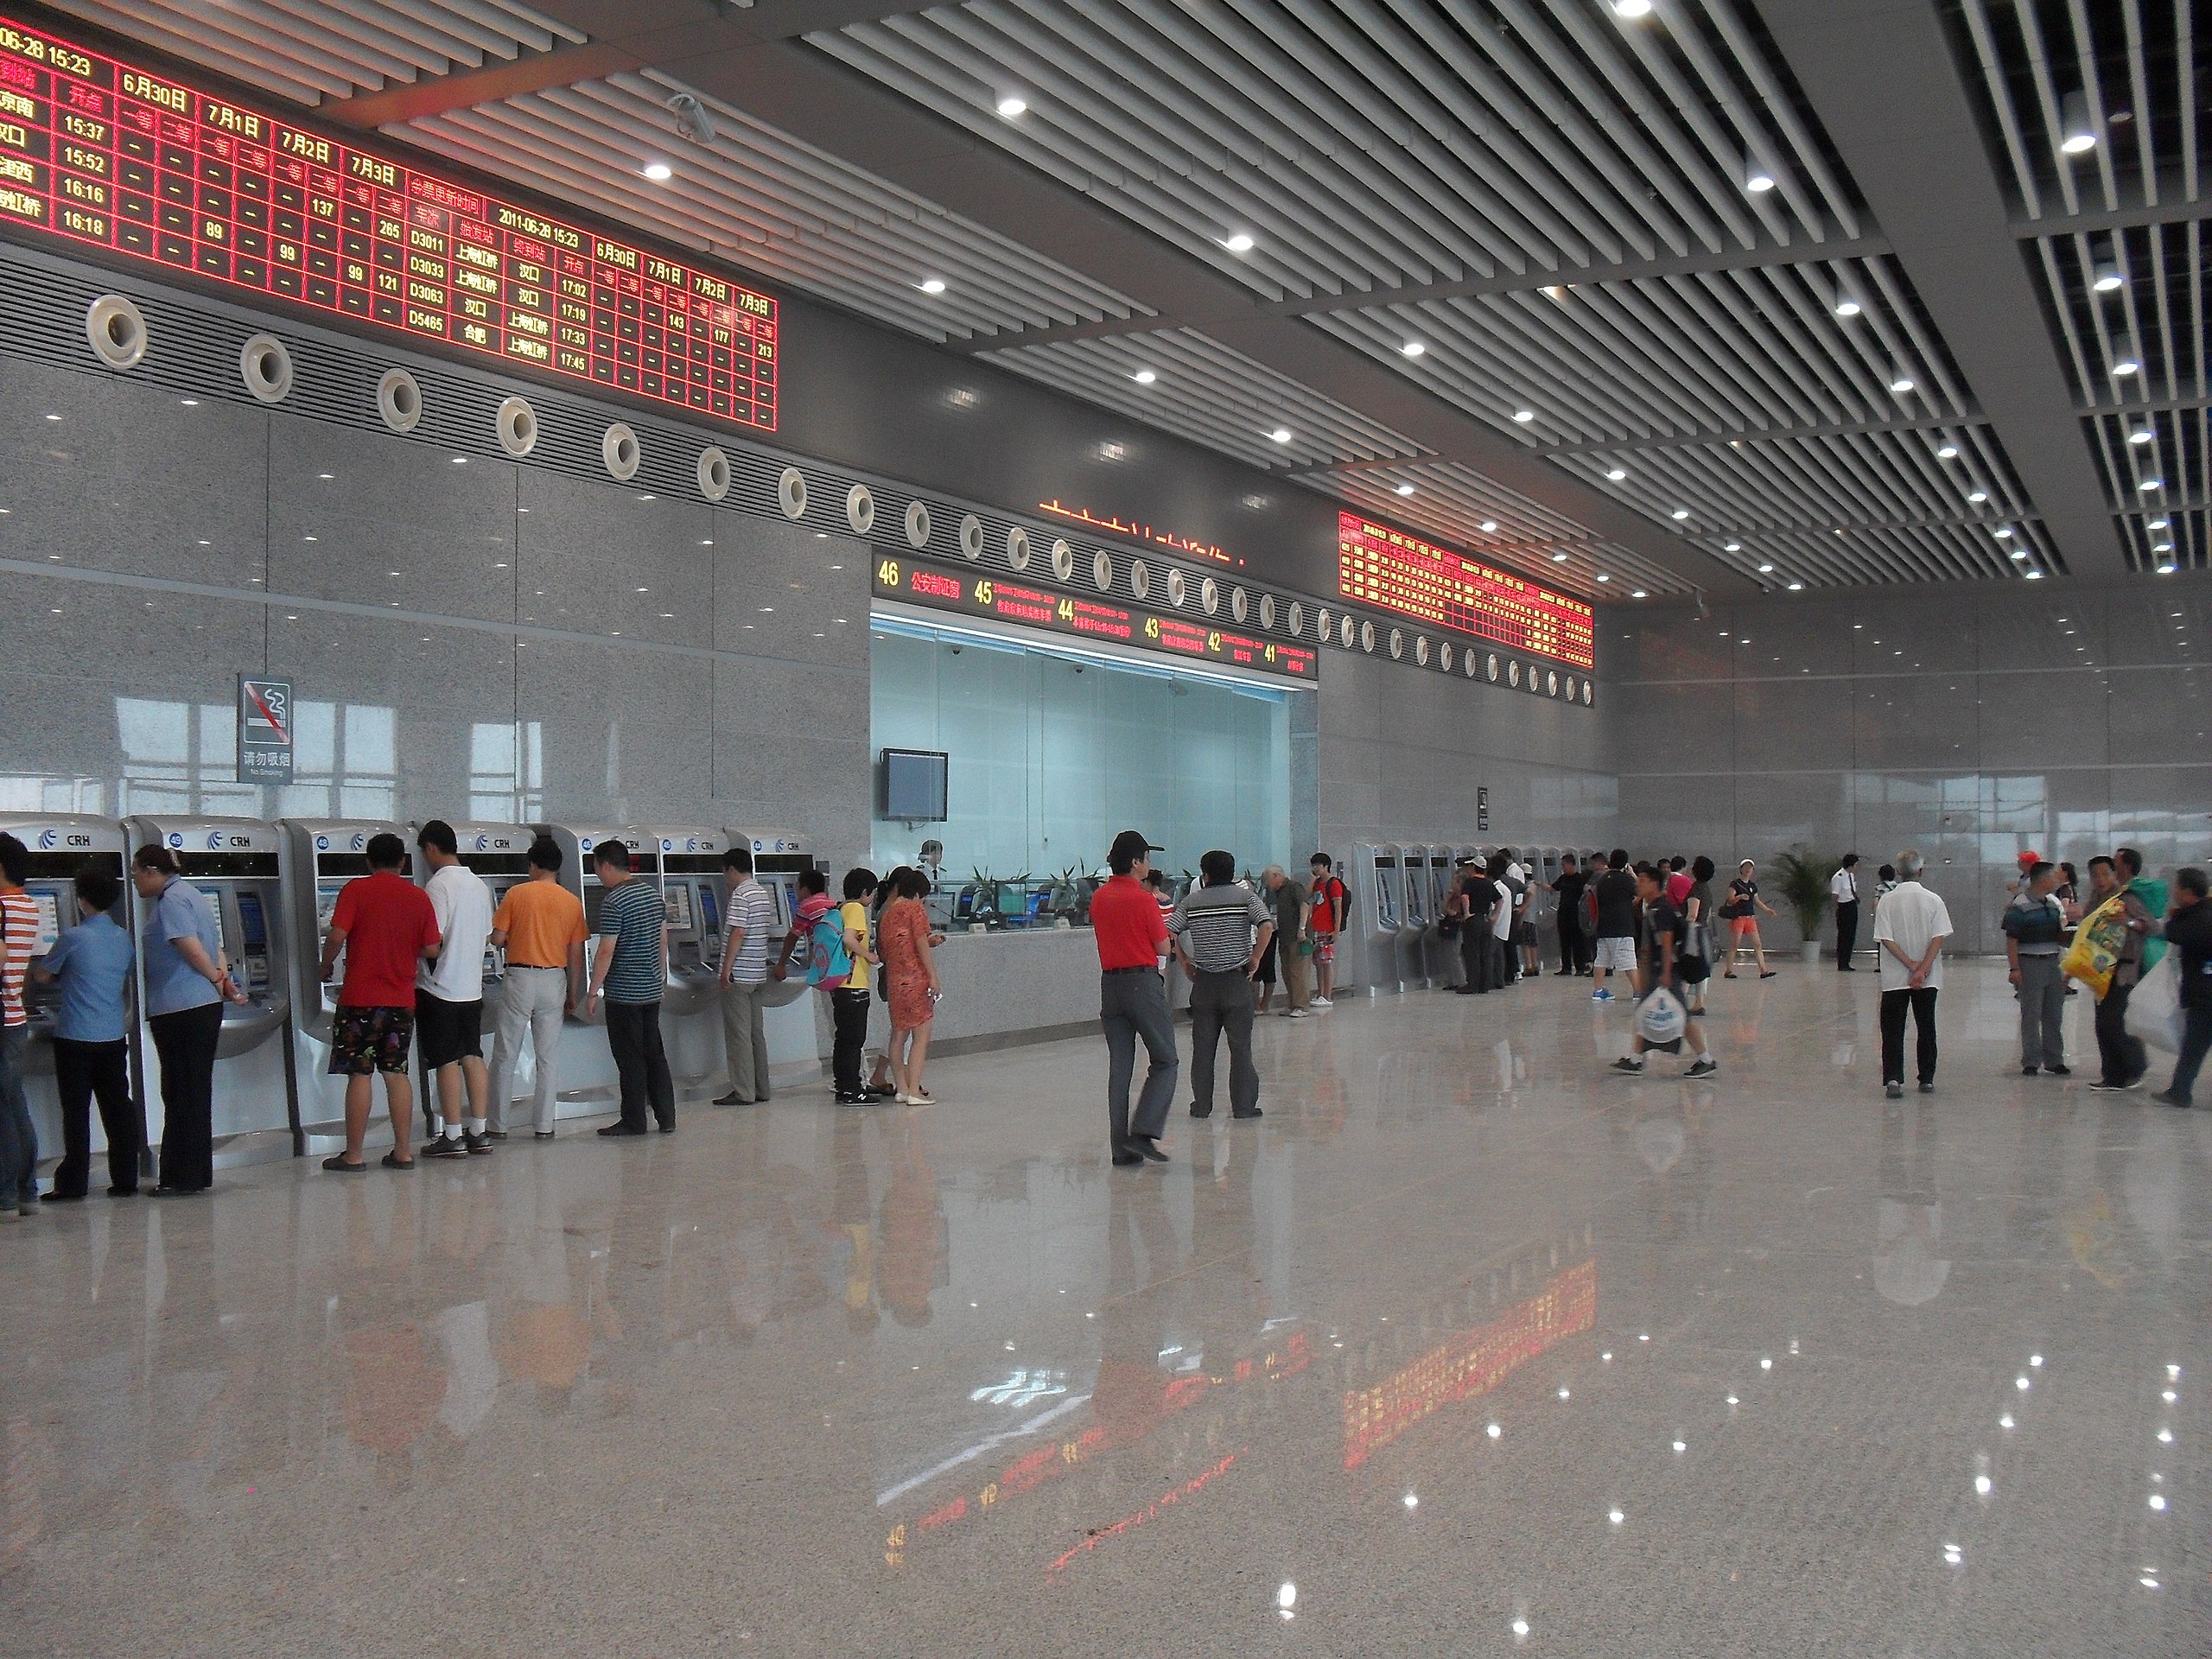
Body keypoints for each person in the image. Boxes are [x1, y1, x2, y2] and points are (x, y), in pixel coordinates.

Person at [320, 832, 442, 1172]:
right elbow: (432, 949)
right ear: (402, 862)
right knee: (396, 1072)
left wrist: (326, 964)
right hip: (401, 1000)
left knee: (360, 1074)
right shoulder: (418, 897)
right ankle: (402, 1152)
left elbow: (338, 934)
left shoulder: (356, 890)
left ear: (369, 861)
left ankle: (354, 1155)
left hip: (360, 998)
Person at [130, 843, 246, 1195]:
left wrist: (215, 978)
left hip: (181, 1008)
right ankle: (196, 1174)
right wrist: (222, 980)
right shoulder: (193, 894)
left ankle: (180, 1177)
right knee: (194, 1092)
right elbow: (216, 947)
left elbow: (190, 948)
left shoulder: (171, 901)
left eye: (136, 872)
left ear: (152, 871)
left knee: (180, 1092)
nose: (134, 880)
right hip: (202, 1005)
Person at [30, 864, 140, 1199]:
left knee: (76, 1112)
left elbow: (42, 977)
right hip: (112, 1035)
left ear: (82, 900)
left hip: (75, 1037)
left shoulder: (72, 937)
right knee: (117, 1108)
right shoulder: (123, 937)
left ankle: (73, 1183)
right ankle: (126, 1179)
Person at [487, 836, 588, 1140]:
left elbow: (498, 938)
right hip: (554, 979)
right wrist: (573, 993)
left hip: (520, 977)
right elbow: (575, 953)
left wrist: (505, 937)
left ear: (533, 865)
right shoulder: (572, 902)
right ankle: (544, 1125)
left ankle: (497, 1125)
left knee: (506, 1053)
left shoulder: (516, 894)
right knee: (548, 1058)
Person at [1170, 850, 1274, 1122]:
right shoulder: (1246, 898)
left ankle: (1201, 1106)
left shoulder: (1191, 901)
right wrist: (1256, 957)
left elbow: (1169, 931)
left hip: (1204, 983)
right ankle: (1243, 1107)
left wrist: (1184, 961)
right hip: (1236, 982)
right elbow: (1266, 925)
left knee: (1203, 1049)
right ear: (1232, 872)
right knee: (1240, 1048)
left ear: (1204, 875)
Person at [414, 821, 496, 1160]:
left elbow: (432, 941)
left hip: (440, 988)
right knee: (473, 1056)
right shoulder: (479, 884)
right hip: (471, 988)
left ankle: (452, 1135)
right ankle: (479, 1131)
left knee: (445, 1060)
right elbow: (488, 935)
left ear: (432, 848)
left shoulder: (438, 885)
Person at [1094, 830, 1176, 1165]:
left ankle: (1121, 1150)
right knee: (1166, 1059)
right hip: (1142, 983)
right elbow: (1163, 947)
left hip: (1110, 987)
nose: (1149, 864)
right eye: (1147, 858)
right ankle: (1143, 1133)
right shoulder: (1144, 900)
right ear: (1135, 862)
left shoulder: (1099, 898)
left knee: (1120, 1069)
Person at [584, 840, 675, 1135]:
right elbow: (662, 940)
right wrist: (660, 978)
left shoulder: (614, 901)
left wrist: (593, 990)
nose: (598, 875)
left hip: (624, 994)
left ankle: (634, 1121)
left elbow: (606, 951)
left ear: (606, 866)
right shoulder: (652, 895)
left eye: (597, 868)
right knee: (654, 1054)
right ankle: (667, 1117)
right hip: (650, 990)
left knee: (630, 1058)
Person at [1611, 863, 1716, 1077]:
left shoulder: (1661, 910)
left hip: (1664, 973)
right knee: (1644, 1013)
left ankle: (1706, 1060)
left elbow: (1667, 943)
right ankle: (1635, 1059)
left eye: (1642, 881)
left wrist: (1666, 975)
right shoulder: (1654, 908)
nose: (1638, 885)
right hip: (1658, 971)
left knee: (1681, 1018)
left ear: (1654, 884)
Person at [1872, 849, 1951, 1100]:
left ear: (1898, 871)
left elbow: (1885, 939)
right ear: (1921, 871)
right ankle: (1926, 1078)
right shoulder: (1934, 900)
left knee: (1892, 1028)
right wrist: (1922, 968)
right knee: (1926, 1025)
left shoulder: (1887, 900)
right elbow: (1938, 937)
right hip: (1928, 977)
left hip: (1895, 977)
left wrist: (1909, 965)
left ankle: (1893, 1079)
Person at [2082, 850, 2160, 1093]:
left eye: (2105, 873)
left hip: (2124, 969)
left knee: (2114, 1021)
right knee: (2102, 1024)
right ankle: (2112, 1075)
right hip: (2100, 969)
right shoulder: (2095, 900)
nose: (2100, 879)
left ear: (2114, 874)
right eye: (2095, 875)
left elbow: (2153, 926)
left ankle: (2135, 1067)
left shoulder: (2127, 898)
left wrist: (2129, 921)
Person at [0, 836, 45, 1217]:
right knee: (15, 1104)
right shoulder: (29, 906)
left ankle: (5, 1196)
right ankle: (27, 1190)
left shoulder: (1, 906)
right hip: (15, 1015)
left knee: (4, 1109)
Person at [714, 844, 776, 1107]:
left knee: (738, 1035)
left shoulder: (740, 894)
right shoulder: (761, 892)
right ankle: (762, 1088)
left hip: (739, 975)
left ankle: (743, 1091)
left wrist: (726, 969)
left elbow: (738, 932)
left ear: (731, 869)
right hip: (758, 972)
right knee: (755, 1034)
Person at [877, 867, 938, 1105]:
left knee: (898, 1035)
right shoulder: (915, 910)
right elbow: (921, 945)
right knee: (921, 1036)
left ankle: (902, 1089)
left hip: (894, 981)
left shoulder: (887, 914)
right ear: (918, 894)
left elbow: (885, 952)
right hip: (915, 980)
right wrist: (933, 977)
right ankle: (914, 1090)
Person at [2152, 868, 2212, 1109]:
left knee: (2194, 1046)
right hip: (2204, 990)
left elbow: (2174, 934)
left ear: (2187, 892)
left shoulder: (2198, 919)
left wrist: (2173, 917)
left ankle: (2180, 1092)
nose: (2173, 892)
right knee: (2193, 1046)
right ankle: (2179, 1090)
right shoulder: (2204, 912)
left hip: (2204, 995)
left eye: (2176, 887)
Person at [2002, 861, 2069, 1077]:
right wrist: (2014, 968)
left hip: (2053, 962)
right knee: (2031, 1014)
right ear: (2044, 879)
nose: (2057, 880)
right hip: (2030, 963)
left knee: (2054, 1013)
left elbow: (2059, 931)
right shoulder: (2019, 905)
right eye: (2054, 876)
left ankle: (2054, 1059)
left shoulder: (2053, 903)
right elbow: (2012, 939)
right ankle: (2031, 1060)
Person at [830, 869, 880, 1104]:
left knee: (843, 1039)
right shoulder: (856, 909)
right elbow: (849, 939)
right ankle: (852, 1089)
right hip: (854, 984)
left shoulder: (841, 908)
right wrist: (869, 955)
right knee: (853, 1040)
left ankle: (843, 1087)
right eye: (873, 893)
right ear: (865, 892)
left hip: (840, 984)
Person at [1590, 848, 1639, 1003]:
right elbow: (1640, 893)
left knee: (1601, 960)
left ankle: (1598, 990)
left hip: (1603, 926)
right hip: (1622, 927)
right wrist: (1633, 874)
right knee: (1629, 961)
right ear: (1625, 863)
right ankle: (1638, 991)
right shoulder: (1626, 879)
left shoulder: (1602, 879)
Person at [1261, 866, 1310, 1016]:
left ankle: (1301, 1006)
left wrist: (1302, 928)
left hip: (1298, 937)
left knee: (1298, 972)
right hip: (1284, 937)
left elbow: (1304, 906)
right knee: (1287, 972)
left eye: (1268, 881)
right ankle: (1292, 1004)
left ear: (1277, 876)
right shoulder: (1278, 892)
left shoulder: (1294, 887)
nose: (1268, 886)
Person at [1722, 860, 1779, 979]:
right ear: (1741, 869)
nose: (1748, 869)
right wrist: (1739, 897)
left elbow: (1756, 901)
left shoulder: (1752, 886)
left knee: (1757, 944)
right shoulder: (1735, 884)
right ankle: (1728, 970)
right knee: (1735, 944)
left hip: (1750, 918)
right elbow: (1730, 900)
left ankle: (1763, 970)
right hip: (1738, 917)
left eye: (1750, 867)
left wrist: (1767, 910)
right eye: (1746, 867)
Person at [1307, 854, 1347, 1008]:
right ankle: (1320, 993)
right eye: (1313, 865)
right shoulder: (1317, 883)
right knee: (1319, 962)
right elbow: (1307, 896)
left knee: (1327, 962)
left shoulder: (1334, 883)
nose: (1315, 868)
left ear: (1325, 866)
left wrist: (1336, 930)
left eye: (1318, 865)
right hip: (1316, 927)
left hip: (1327, 928)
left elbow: (1338, 908)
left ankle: (1327, 995)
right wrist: (1312, 881)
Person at [1678, 855, 1716, 1014]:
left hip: (1693, 933)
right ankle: (1698, 1003)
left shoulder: (1696, 890)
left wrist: (1683, 931)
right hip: (1704, 932)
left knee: (1686, 968)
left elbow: (1692, 914)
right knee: (1700, 970)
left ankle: (1678, 1002)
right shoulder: (1706, 889)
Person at [1553, 853, 1589, 976]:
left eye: (1564, 865)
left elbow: (1587, 893)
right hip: (1564, 913)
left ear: (1571, 864)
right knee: (1564, 940)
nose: (1563, 868)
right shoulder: (1563, 878)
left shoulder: (1580, 879)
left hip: (1576, 913)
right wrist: (1538, 885)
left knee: (1577, 941)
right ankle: (1566, 967)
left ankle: (1580, 966)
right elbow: (1552, 888)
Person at [1831, 854, 1863, 970]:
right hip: (1843, 907)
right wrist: (1836, 910)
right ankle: (1842, 962)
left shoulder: (1850, 876)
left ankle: (1847, 961)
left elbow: (1851, 890)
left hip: (1852, 905)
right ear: (1851, 865)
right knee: (1844, 936)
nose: (1857, 867)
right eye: (1856, 864)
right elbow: (1835, 895)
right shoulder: (1838, 877)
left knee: (1851, 936)